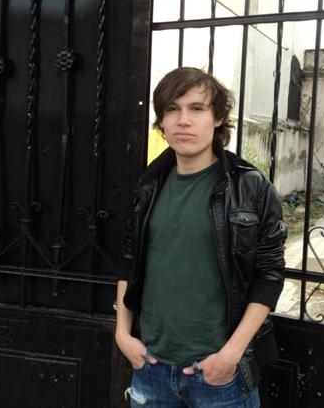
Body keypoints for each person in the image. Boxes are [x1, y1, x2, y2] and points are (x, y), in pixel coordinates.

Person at [115, 67, 287, 407]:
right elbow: (129, 262)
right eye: (172, 109)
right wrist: (122, 333)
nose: (183, 120)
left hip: (219, 375)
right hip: (151, 368)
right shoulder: (149, 186)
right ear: (162, 122)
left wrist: (231, 354)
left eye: (197, 108)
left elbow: (269, 277)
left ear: (218, 118)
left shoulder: (250, 187)